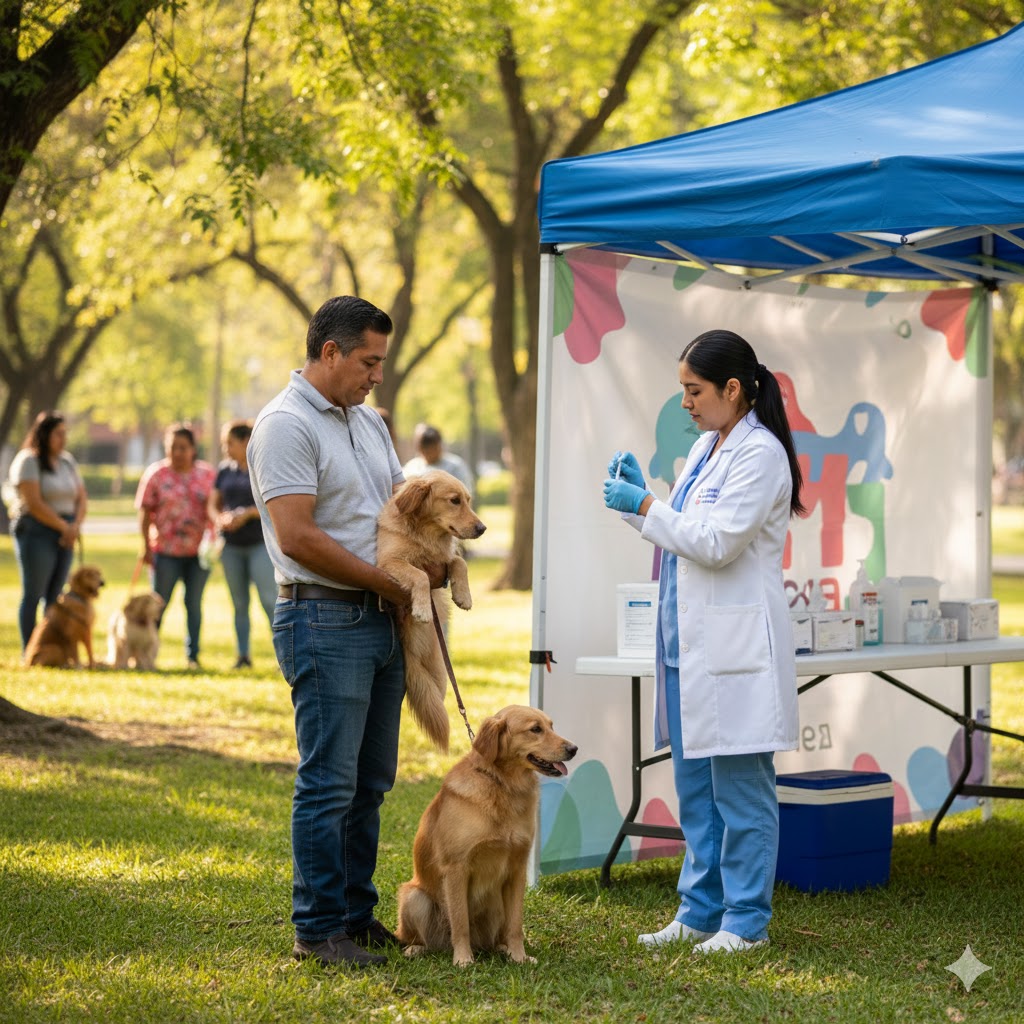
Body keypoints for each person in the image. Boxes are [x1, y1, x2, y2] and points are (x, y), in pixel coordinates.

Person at [248, 295, 442, 969]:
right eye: (368, 361)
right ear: (329, 353)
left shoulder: (365, 422)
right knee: (328, 782)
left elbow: (395, 506)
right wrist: (387, 584)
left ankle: (357, 919)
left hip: (379, 614)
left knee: (371, 782)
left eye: (380, 362)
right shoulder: (284, 425)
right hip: (323, 616)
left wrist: (431, 564)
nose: (375, 375)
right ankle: (317, 930)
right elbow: (298, 535)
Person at [603, 329, 806, 955]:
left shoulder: (761, 454)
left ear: (733, 388)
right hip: (685, 645)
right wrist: (641, 507)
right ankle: (698, 912)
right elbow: (683, 530)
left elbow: (717, 543)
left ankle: (745, 921)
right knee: (696, 793)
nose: (686, 403)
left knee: (741, 791)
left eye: (694, 391)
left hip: (733, 646)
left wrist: (648, 505)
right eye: (683, 391)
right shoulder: (706, 449)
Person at [135, 423, 216, 670]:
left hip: (198, 553)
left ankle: (193, 656)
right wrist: (145, 546)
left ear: (193, 449)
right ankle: (148, 655)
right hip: (165, 551)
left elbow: (216, 507)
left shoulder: (208, 475)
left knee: (194, 603)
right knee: (158, 604)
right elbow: (145, 512)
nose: (178, 453)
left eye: (183, 447)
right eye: (173, 447)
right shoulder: (156, 474)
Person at [6, 411, 88, 650]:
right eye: (58, 434)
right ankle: (30, 649)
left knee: (55, 594)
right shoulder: (28, 461)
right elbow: (34, 503)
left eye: (65, 433)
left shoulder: (66, 461)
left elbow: (81, 497)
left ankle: (51, 645)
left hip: (66, 531)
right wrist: (64, 527)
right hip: (37, 531)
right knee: (34, 592)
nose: (63, 439)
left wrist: (75, 525)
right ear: (44, 435)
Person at [208, 419, 277, 669]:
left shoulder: (263, 467)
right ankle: (243, 655)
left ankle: (283, 654)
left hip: (260, 544)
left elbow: (274, 504)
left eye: (230, 443)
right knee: (238, 603)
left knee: (269, 600)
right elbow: (213, 503)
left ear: (246, 441)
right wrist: (220, 519)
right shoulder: (224, 471)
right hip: (231, 547)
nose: (226, 449)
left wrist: (247, 514)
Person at [402, 423, 473, 495]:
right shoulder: (412, 468)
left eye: (435, 447)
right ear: (421, 449)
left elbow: (466, 494)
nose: (431, 452)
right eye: (427, 450)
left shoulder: (455, 466)